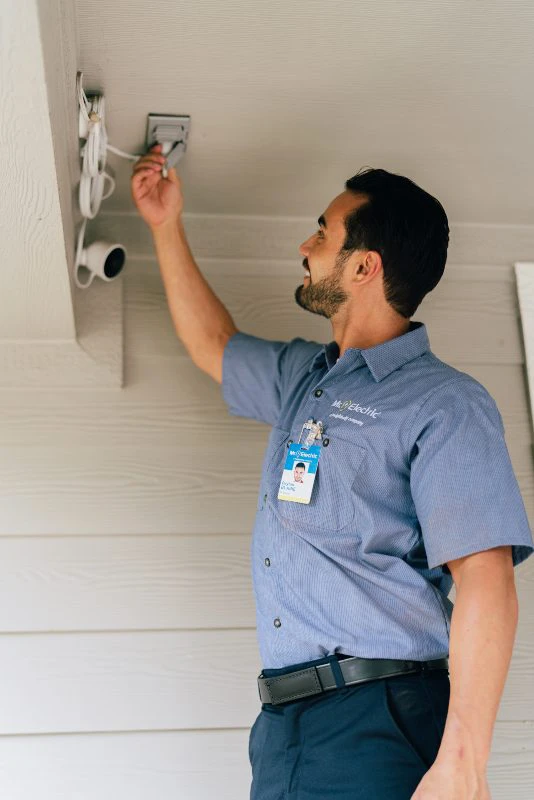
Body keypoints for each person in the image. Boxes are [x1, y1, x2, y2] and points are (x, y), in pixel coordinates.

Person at [131, 149, 534, 800]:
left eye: (323, 232)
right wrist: (164, 224)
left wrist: (465, 760)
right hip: (282, 727)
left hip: (381, 715)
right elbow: (214, 345)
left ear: (364, 267)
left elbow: (487, 580)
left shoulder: (443, 403)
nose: (305, 245)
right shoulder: (301, 380)